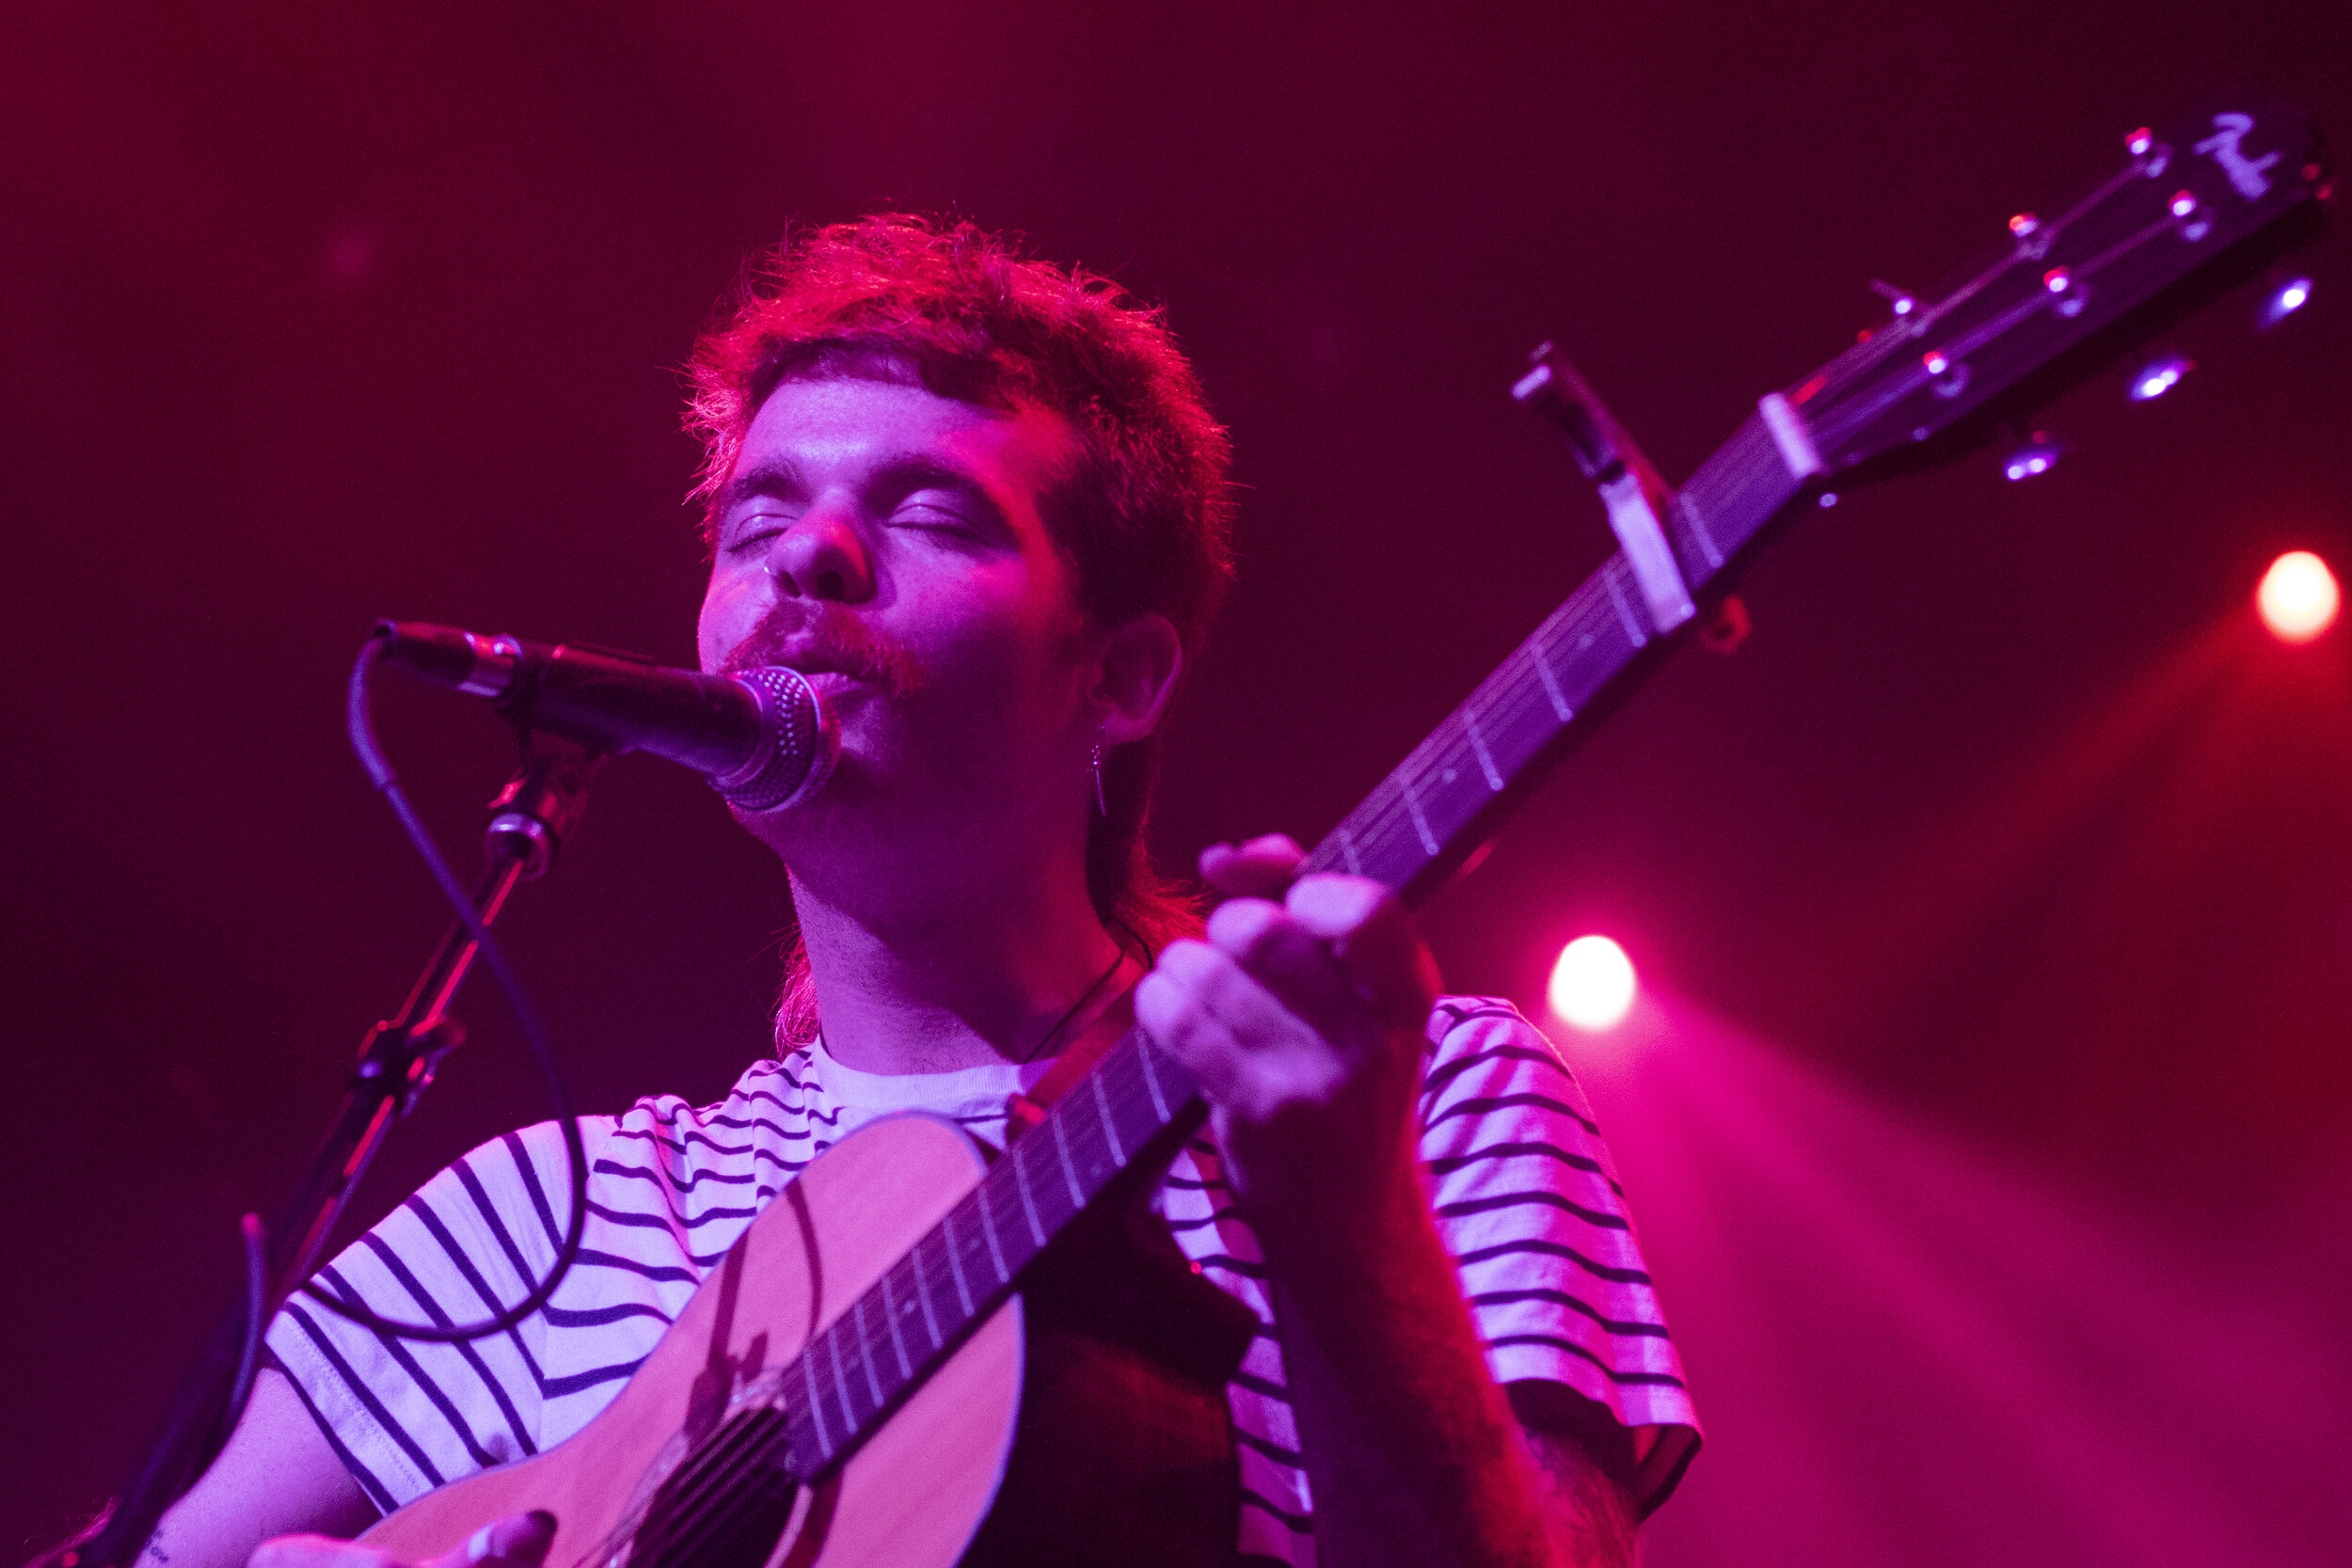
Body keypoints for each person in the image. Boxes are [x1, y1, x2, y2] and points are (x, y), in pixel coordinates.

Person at [139, 215, 1698, 1568]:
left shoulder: (1420, 1099)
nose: (811, 554)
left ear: (1124, 676)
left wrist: (1340, 1210)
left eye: (932, 513)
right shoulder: (550, 1212)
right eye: (762, 520)